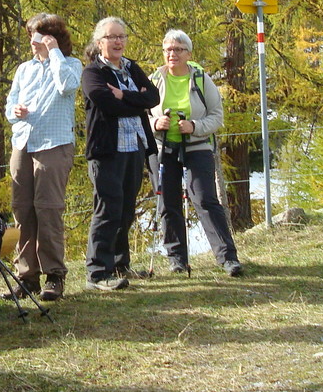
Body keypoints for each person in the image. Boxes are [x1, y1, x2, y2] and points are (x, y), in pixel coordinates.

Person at [148, 30, 242, 278]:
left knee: (205, 199)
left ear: (189, 54)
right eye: (168, 49)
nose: (172, 54)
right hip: (163, 147)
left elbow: (217, 116)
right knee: (168, 202)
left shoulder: (201, 79)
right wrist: (155, 123)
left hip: (197, 145)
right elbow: (141, 115)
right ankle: (177, 259)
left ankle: (227, 257)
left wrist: (194, 126)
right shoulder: (154, 80)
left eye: (178, 49)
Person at [4, 14, 83, 302]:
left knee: (48, 209)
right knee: (22, 210)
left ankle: (54, 275)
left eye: (38, 36)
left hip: (54, 143)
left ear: (53, 37)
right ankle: (27, 277)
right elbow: (10, 105)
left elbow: (67, 86)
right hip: (23, 142)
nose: (33, 42)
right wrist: (15, 112)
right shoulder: (24, 69)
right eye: (31, 36)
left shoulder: (70, 64)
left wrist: (55, 53)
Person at [81, 17, 158, 291]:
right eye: (111, 37)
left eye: (121, 36)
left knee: (126, 209)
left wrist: (124, 96)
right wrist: (137, 101)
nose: (117, 42)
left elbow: (153, 98)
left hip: (135, 146)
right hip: (107, 151)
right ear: (99, 42)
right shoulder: (92, 73)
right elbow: (106, 104)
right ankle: (97, 273)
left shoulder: (131, 67)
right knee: (107, 208)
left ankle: (119, 264)